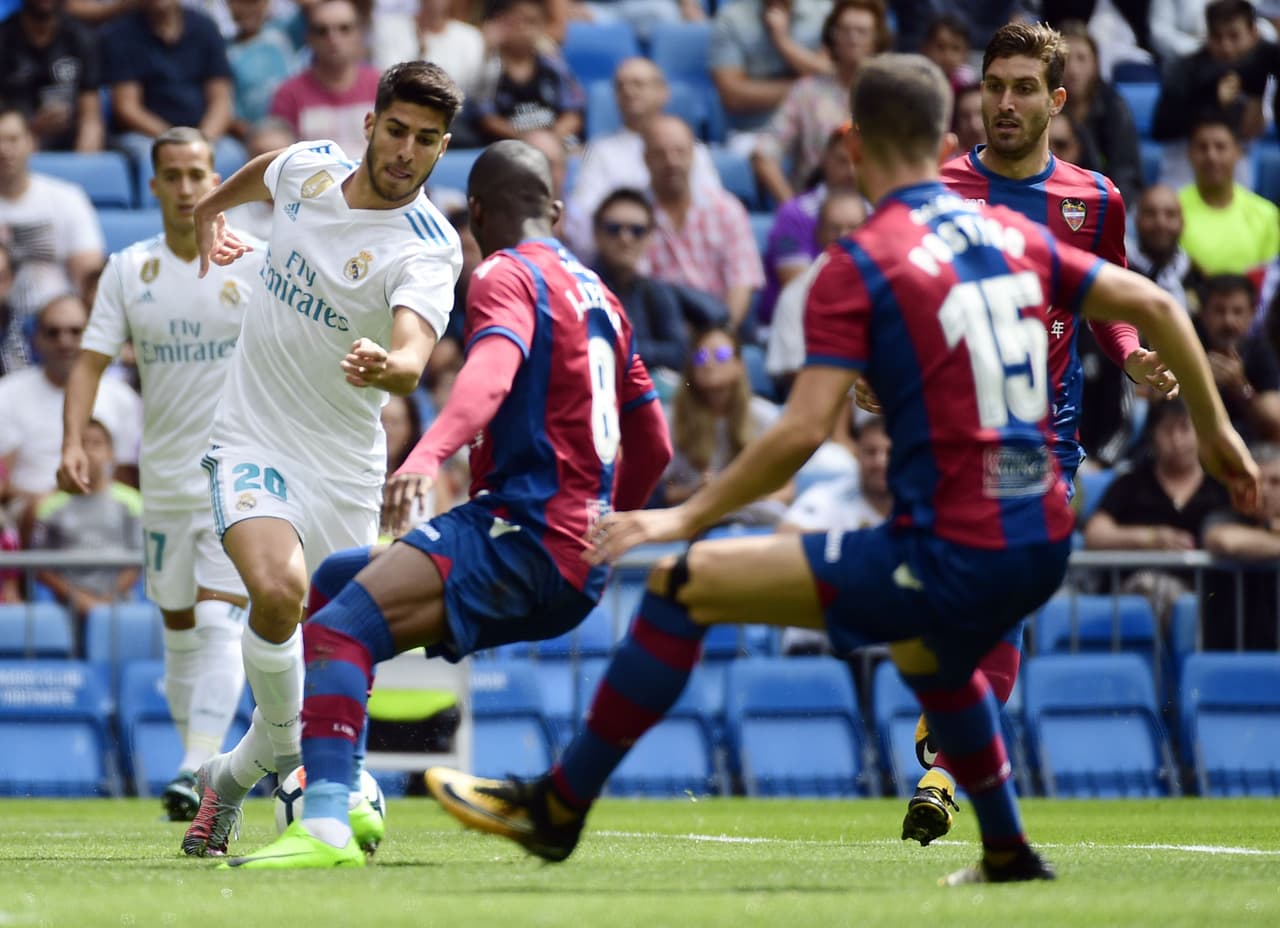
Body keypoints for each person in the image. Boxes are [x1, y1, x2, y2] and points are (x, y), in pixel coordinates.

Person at [423, 54, 1258, 887]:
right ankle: (1005, 849)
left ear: (852, 142)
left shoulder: (862, 261)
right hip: (1043, 525)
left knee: (687, 585)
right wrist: (1219, 436)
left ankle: (557, 808)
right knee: (925, 645)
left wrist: (681, 517)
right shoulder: (1015, 235)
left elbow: (800, 433)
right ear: (943, 139)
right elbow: (1153, 304)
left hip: (950, 543)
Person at [217, 138, 672, 869]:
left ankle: (328, 822)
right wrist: (615, 528)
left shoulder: (502, 272)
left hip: (517, 532)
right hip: (574, 564)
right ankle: (342, 775)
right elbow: (654, 445)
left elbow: (490, 374)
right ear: (554, 211)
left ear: (479, 217)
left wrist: (427, 456)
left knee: (336, 633)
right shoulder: (603, 298)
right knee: (336, 578)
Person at [179, 60, 464, 860]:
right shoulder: (310, 167)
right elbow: (268, 171)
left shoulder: (429, 248)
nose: (408, 151)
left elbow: (414, 349)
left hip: (344, 465)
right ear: (369, 125)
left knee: (321, 639)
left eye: (429, 140)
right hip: (251, 436)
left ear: (443, 149)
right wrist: (209, 206)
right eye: (399, 130)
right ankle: (306, 770)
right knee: (276, 591)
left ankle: (228, 783)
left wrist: (393, 367)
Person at [902, 21, 1178, 847]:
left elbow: (1111, 305)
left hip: (1040, 439)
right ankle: (954, 709)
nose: (1007, 103)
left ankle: (945, 770)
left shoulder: (1093, 202)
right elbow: (906, 298)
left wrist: (1130, 359)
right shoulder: (939, 189)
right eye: (995, 86)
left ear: (1058, 100)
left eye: (1025, 88)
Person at [56, 127, 259, 822]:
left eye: (197, 174)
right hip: (164, 479)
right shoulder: (127, 269)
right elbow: (90, 359)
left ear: (216, 179)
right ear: (153, 186)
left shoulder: (253, 262)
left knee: (217, 618)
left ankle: (189, 768)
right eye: (171, 176)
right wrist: (73, 438)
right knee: (179, 634)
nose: (185, 189)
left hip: (235, 470)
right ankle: (200, 764)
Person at [0, 295, 142, 517]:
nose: (64, 342)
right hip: (29, 513)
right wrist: (47, 501)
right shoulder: (7, 393)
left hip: (107, 515)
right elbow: (2, 482)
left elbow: (125, 479)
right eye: (53, 332)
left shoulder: (122, 397)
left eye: (75, 331)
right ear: (36, 338)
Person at [32, 418, 143, 631]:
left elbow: (138, 561)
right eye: (82, 444)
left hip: (120, 603)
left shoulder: (133, 502)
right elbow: (40, 566)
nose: (89, 451)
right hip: (64, 605)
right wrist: (79, 599)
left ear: (111, 453)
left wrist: (107, 600)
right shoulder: (50, 506)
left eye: (97, 443)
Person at [0, 105, 105, 318]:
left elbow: (88, 278)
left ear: (31, 142)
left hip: (58, 326)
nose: (4, 149)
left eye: (12, 139)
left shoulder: (67, 198)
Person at [269, 0, 381, 162]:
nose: (333, 38)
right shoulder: (288, 94)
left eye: (344, 28)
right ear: (309, 37)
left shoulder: (382, 86)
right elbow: (279, 160)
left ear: (359, 33)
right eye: (322, 31)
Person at [1178, 114, 1280, 278]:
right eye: (1202, 147)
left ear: (1237, 152)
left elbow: (1269, 279)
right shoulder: (1169, 213)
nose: (1211, 156)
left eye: (1220, 147)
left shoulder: (1267, 214)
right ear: (1189, 154)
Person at [0, 0, 104, 152]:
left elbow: (91, 118)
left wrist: (82, 167)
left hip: (71, 137)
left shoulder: (81, 38)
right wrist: (32, 127)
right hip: (16, 139)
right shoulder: (4, 39)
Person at [1127, 184, 1198, 310]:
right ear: (1136, 221)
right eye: (1150, 214)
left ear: (1182, 223)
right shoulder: (1120, 272)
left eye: (1170, 215)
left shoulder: (1195, 276)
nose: (1160, 223)